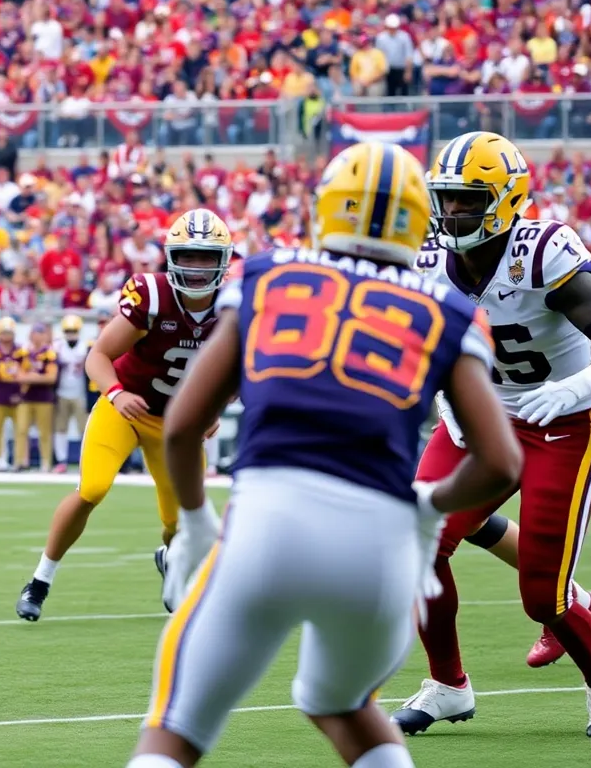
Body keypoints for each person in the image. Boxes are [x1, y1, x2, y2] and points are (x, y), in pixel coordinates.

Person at [128, 141, 523, 768]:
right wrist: (425, 508)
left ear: (327, 208)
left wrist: (197, 527)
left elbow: (182, 426)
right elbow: (502, 462)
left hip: (267, 528)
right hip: (378, 553)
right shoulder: (446, 309)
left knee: (177, 729)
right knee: (342, 706)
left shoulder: (268, 274)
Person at [391, 131, 591, 737]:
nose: (451, 212)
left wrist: (573, 390)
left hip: (564, 421)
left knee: (543, 595)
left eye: (466, 200)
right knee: (415, 544)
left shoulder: (542, 253)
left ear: (506, 200)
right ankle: (447, 685)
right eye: (445, 199)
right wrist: (449, 393)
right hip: (479, 418)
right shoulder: (427, 258)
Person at [16, 209, 232, 621]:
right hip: (126, 408)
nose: (198, 266)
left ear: (223, 260)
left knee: (180, 521)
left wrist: (213, 407)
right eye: (189, 255)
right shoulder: (151, 296)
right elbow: (98, 355)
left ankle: (171, 558)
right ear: (171, 256)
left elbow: (236, 369)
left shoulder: (232, 307)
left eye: (207, 257)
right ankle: (40, 580)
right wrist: (115, 393)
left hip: (177, 424)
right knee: (93, 488)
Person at [0, 317, 26, 471]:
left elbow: (25, 373)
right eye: (3, 333)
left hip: (16, 394)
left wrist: (21, 391)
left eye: (9, 333)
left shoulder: (21, 351)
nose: (6, 337)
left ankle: (19, 461)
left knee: (20, 430)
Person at [17, 322, 59, 471]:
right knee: (21, 430)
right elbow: (18, 375)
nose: (36, 336)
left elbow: (51, 377)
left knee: (45, 432)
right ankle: (22, 461)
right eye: (35, 332)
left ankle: (46, 462)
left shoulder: (50, 353)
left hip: (44, 398)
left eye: (40, 333)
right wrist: (34, 377)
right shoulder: (24, 353)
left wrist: (32, 377)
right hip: (26, 398)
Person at [52, 315, 89, 472]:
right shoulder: (57, 347)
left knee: (85, 430)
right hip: (61, 393)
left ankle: (86, 461)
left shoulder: (86, 347)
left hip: (80, 393)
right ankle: (61, 460)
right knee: (60, 428)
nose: (71, 334)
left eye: (73, 331)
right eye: (68, 331)